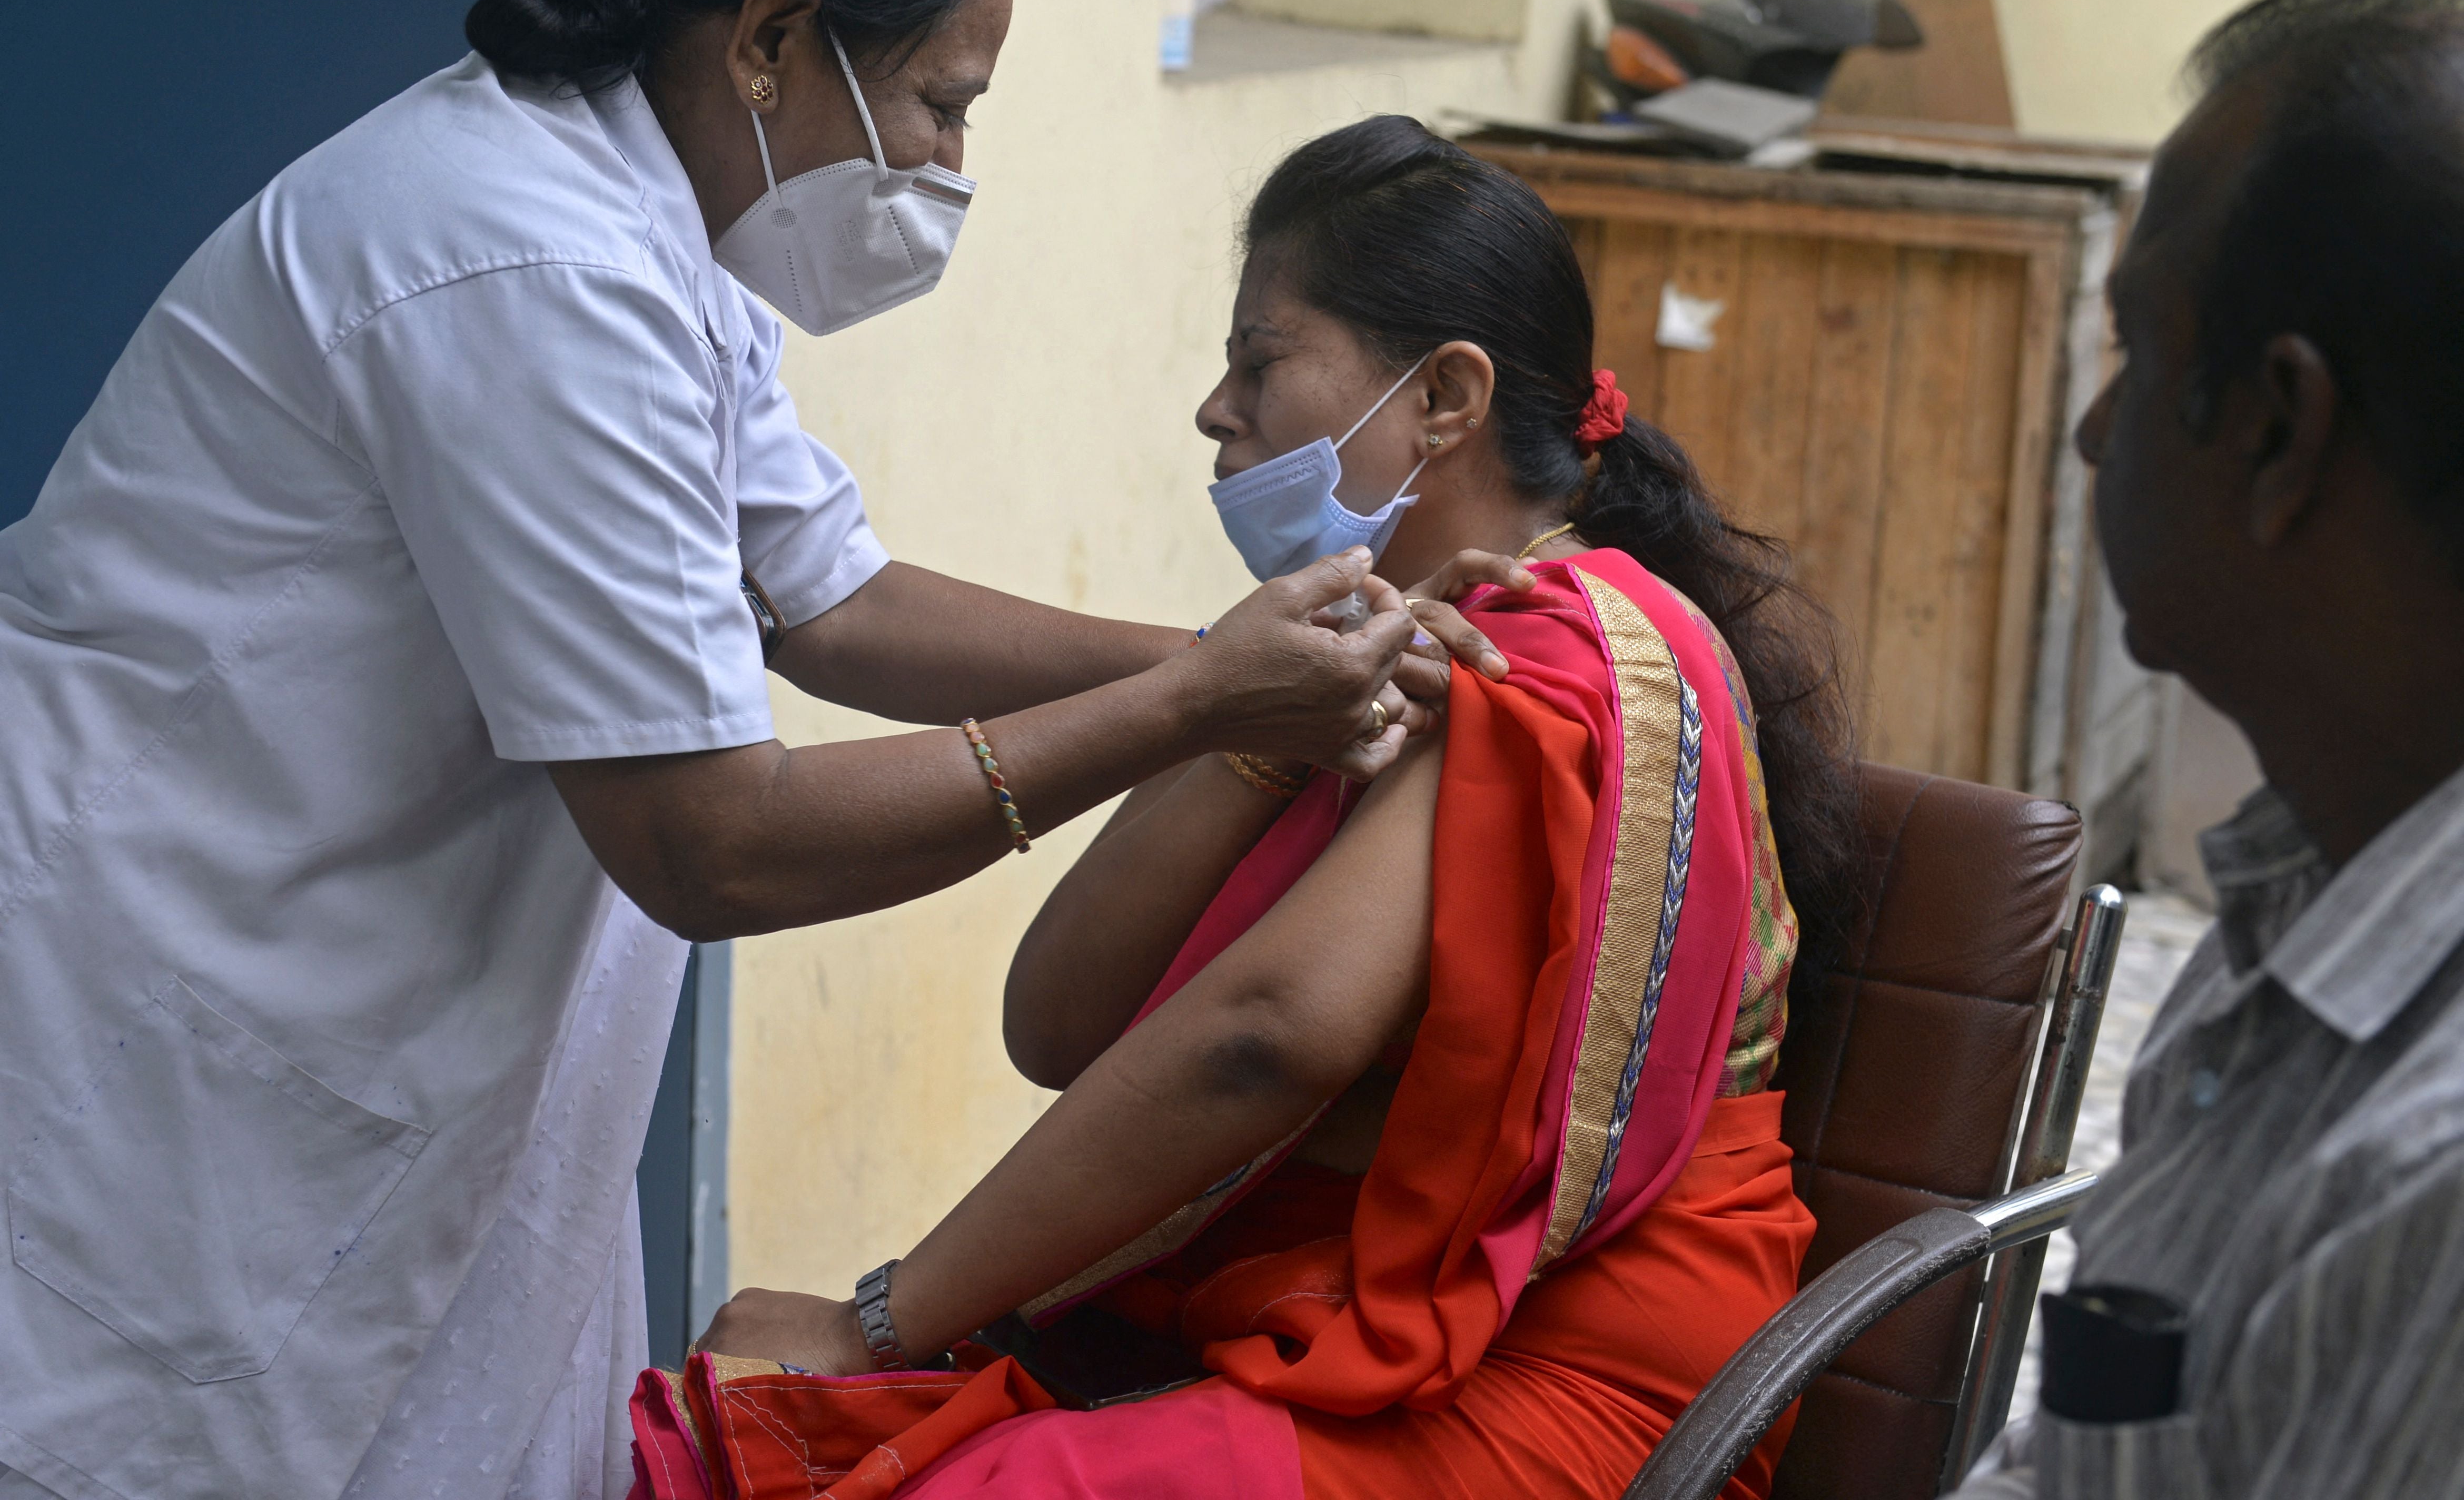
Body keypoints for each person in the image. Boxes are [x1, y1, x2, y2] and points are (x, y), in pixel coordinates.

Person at [0, 0, 1513, 1499]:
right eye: (942, 103)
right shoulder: (531, 268)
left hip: (357, 998)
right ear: (775, 36)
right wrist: (1197, 708)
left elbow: (835, 600)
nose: (950, 165)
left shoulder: (656, 233)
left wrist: (1237, 663)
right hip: (176, 972)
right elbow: (714, 843)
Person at [664, 116, 1867, 1500]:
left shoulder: (1552, 654)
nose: (1214, 409)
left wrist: (877, 1323)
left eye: (1260, 361)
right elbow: (1056, 1022)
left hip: (1556, 1357)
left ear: (1445, 397)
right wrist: (1246, 724)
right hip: (1327, 1309)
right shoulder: (1364, 655)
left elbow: (1265, 1038)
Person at [1942, 0, 2464, 1498]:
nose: (2095, 430)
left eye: (2137, 350)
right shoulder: (2302, 906)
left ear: (2278, 429)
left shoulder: (2434, 1183)